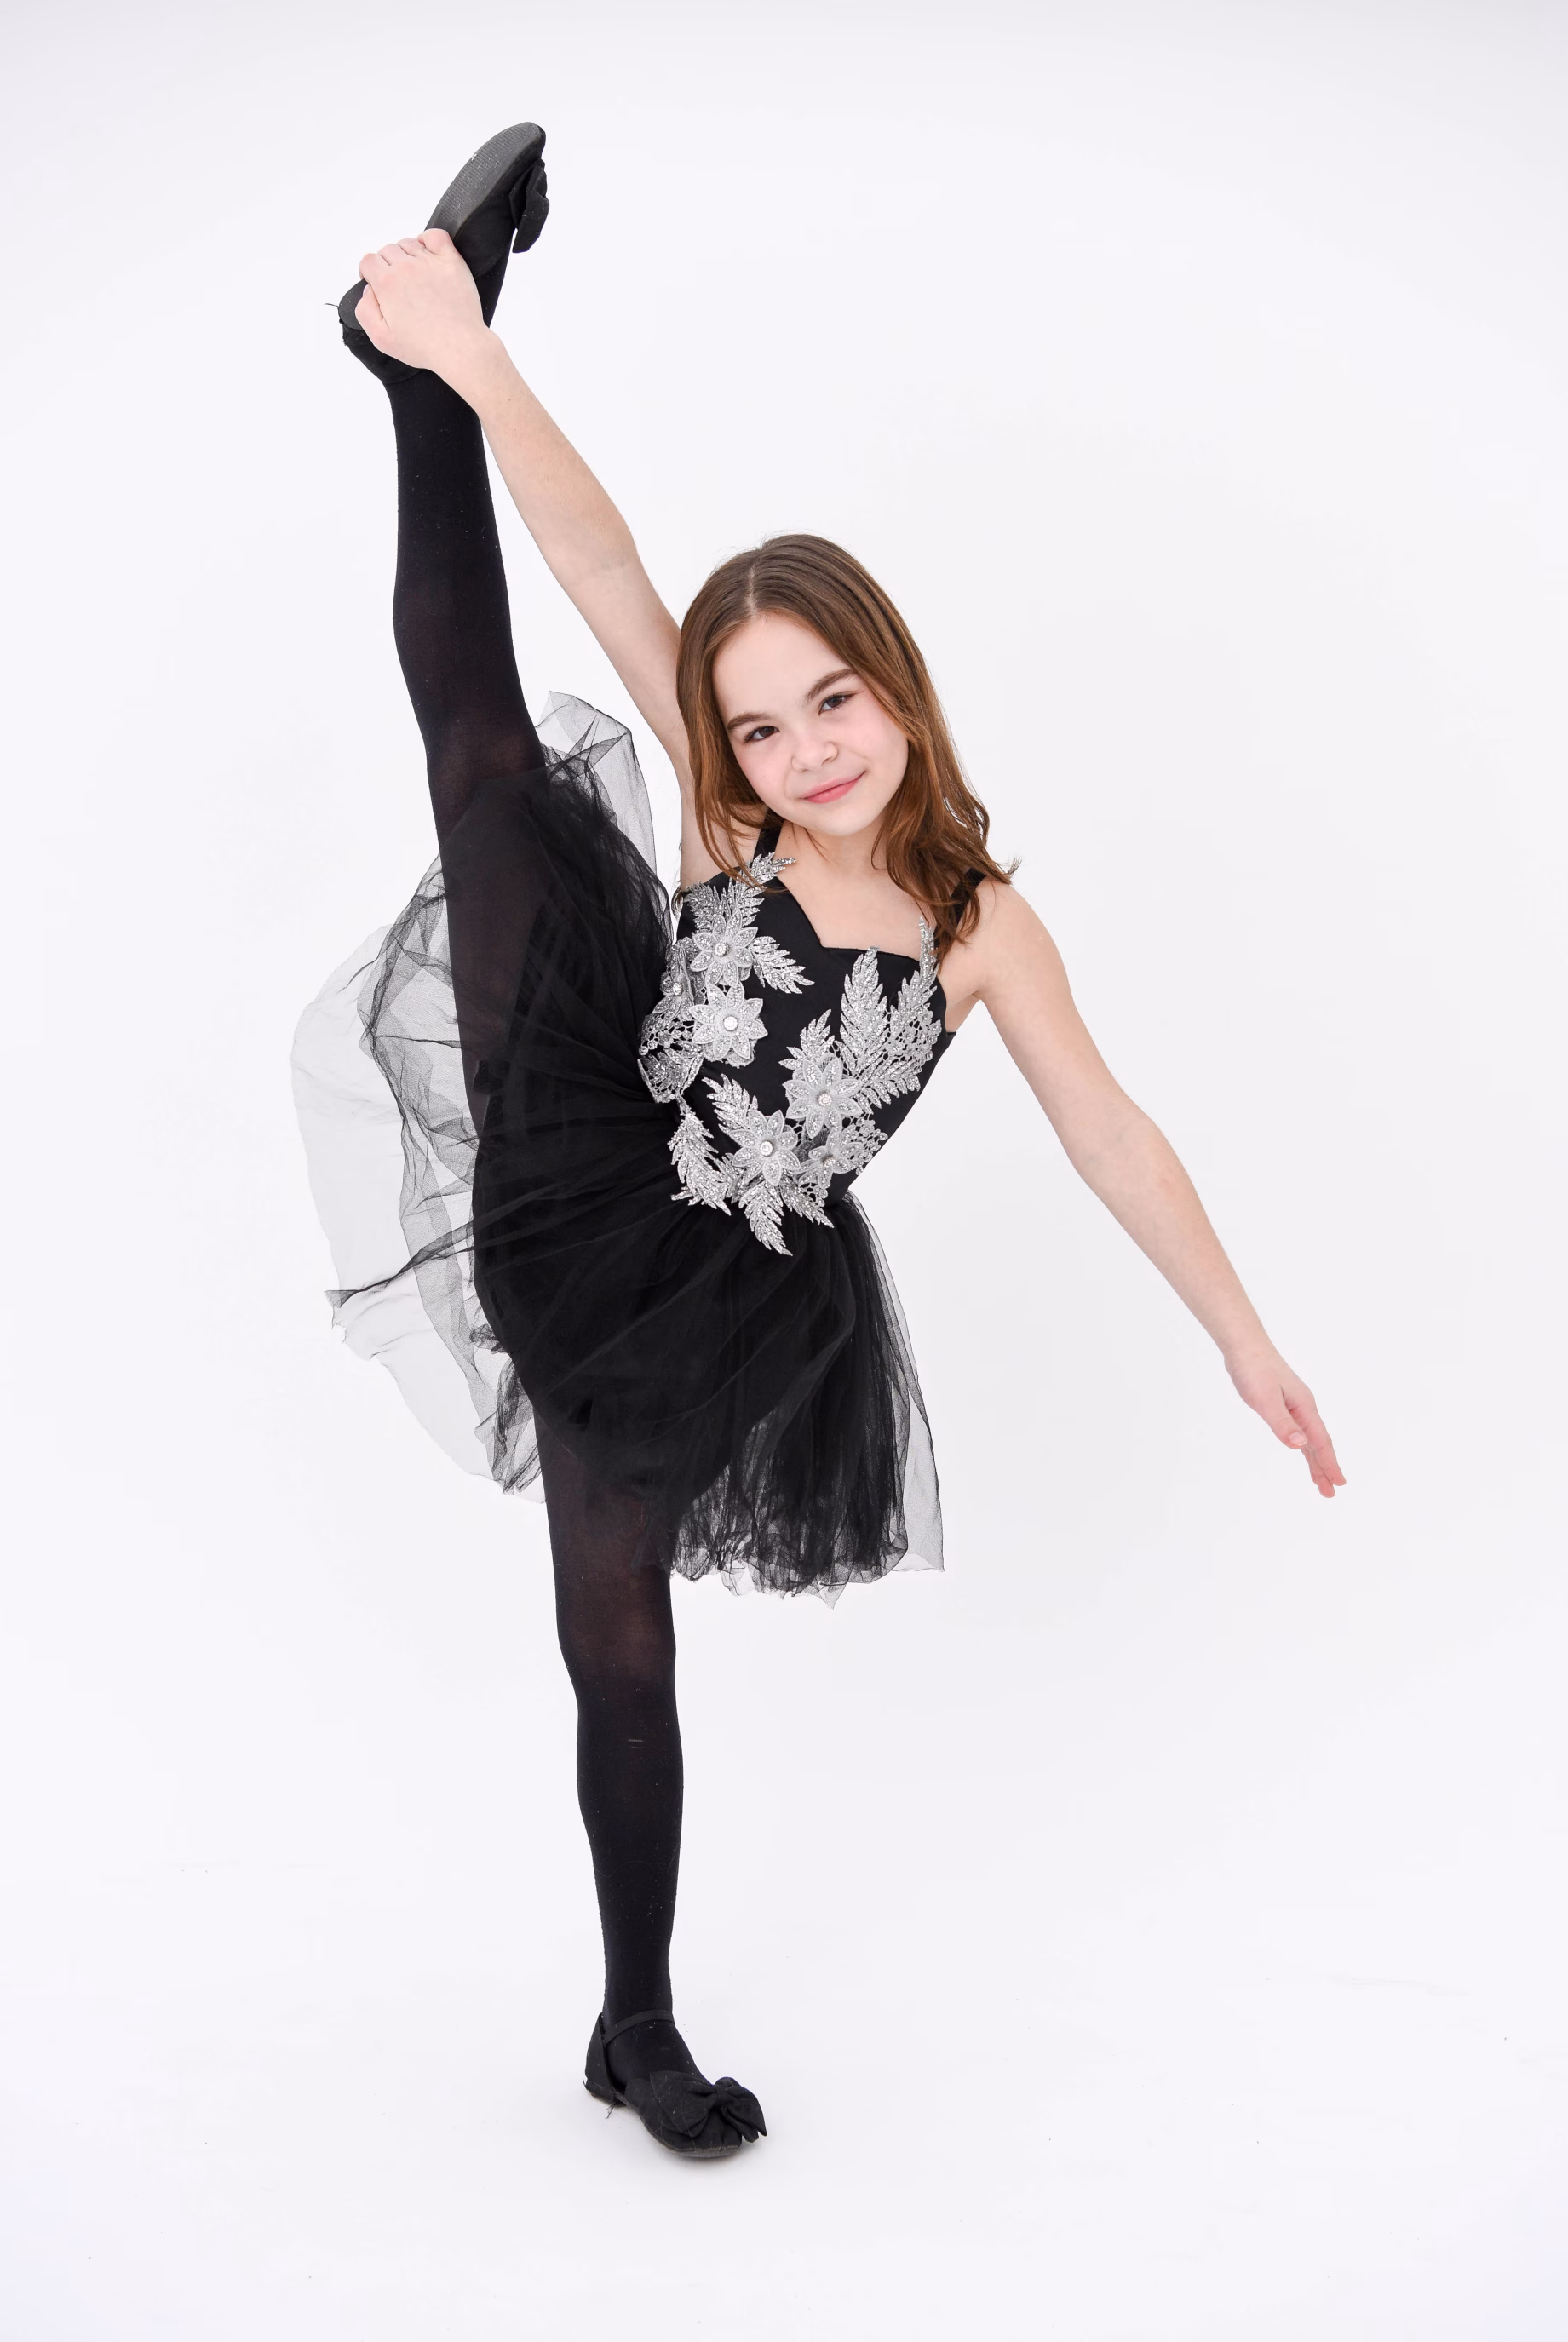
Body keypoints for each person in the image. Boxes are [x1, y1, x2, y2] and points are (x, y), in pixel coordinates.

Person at [294, 124, 1344, 2161]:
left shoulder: (979, 928)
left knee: (623, 1647)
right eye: (762, 724)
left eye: (831, 706)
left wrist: (1242, 1334)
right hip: (582, 1145)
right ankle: (418, 358)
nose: (800, 754)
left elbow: (1113, 1135)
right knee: (488, 764)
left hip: (714, 1293)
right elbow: (606, 568)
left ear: (903, 692)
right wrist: (483, 367)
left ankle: (630, 2017)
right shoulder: (731, 816)